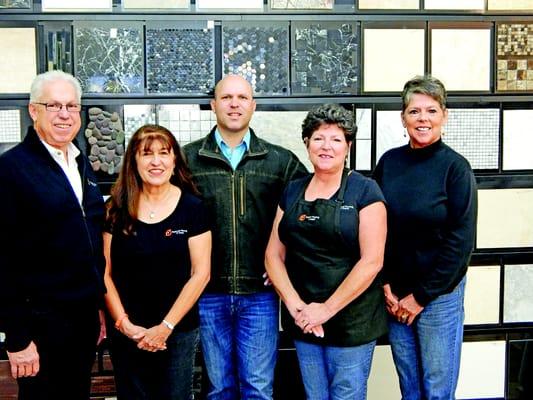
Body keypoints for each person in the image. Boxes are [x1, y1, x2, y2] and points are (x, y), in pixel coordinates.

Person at [183, 74, 307, 399]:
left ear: (253, 105)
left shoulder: (281, 162)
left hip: (260, 295)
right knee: (218, 388)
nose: (234, 104)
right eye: (226, 98)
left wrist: (287, 264)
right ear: (213, 105)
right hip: (209, 293)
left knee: (258, 388)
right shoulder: (187, 160)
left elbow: (306, 219)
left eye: (241, 97)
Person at [265, 104, 388, 400]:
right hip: (304, 319)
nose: (326, 146)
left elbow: (371, 262)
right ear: (307, 143)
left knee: (346, 394)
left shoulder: (365, 192)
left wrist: (326, 309)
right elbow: (273, 256)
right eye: (319, 138)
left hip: (351, 323)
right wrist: (298, 309)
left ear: (347, 146)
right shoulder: (293, 190)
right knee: (315, 395)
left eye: (336, 139)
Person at [0, 70, 106, 399]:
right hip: (39, 328)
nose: (64, 114)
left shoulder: (79, 163)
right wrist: (17, 339)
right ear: (34, 111)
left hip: (82, 321)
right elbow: (1, 260)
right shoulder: (11, 170)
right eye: (54, 105)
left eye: (72, 106)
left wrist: (98, 306)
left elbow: (87, 240)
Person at [373, 75, 477, 400]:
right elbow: (375, 228)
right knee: (411, 388)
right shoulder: (389, 163)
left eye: (431, 111)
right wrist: (386, 284)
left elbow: (461, 243)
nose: (423, 119)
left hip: (438, 297)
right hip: (395, 295)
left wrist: (420, 297)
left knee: (437, 390)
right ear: (403, 117)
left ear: (444, 116)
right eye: (414, 111)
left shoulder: (456, 169)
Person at [103, 124, 211, 399]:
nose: (156, 161)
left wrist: (166, 328)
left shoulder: (193, 207)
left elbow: (201, 274)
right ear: (133, 161)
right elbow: (104, 273)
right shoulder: (115, 208)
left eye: (164, 153)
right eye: (146, 153)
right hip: (128, 333)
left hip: (177, 332)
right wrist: (124, 324)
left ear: (175, 160)